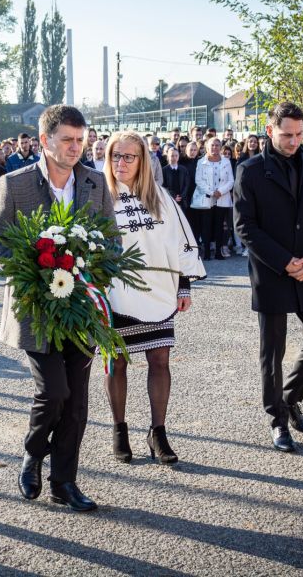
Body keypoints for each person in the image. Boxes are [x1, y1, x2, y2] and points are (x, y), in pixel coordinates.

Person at [0, 104, 114, 512]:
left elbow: (111, 241)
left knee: (76, 402)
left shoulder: (95, 183)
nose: (76, 148)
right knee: (53, 391)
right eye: (68, 140)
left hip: (81, 309)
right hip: (36, 309)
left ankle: (64, 482)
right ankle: (33, 452)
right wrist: (31, 272)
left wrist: (92, 265)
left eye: (81, 140)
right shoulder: (15, 183)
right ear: (45, 140)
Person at [233, 102, 303, 453]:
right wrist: (284, 261)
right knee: (271, 352)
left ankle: (289, 398)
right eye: (287, 134)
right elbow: (245, 227)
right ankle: (277, 420)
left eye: (299, 134)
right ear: (270, 130)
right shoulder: (250, 171)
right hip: (272, 271)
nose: (294, 141)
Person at [102, 131, 205, 465]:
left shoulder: (159, 196)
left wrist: (184, 285)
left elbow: (178, 241)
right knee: (117, 362)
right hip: (115, 293)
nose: (121, 163)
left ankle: (157, 432)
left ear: (142, 160)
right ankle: (119, 429)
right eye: (116, 155)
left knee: (159, 360)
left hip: (158, 290)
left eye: (129, 157)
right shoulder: (99, 194)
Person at [190, 137, 234, 260]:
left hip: (222, 198)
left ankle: (219, 252)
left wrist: (220, 191)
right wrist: (211, 192)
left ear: (220, 147)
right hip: (207, 198)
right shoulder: (201, 162)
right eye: (212, 145)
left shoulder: (226, 161)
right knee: (206, 226)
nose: (215, 147)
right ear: (207, 147)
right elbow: (198, 180)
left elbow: (231, 180)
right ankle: (207, 252)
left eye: (217, 145)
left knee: (219, 226)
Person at [161, 146, 192, 211]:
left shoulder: (183, 169)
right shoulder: (164, 170)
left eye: (176, 155)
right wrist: (173, 196)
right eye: (172, 156)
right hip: (169, 200)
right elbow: (163, 185)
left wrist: (181, 196)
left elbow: (186, 184)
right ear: (168, 157)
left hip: (182, 200)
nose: (174, 158)